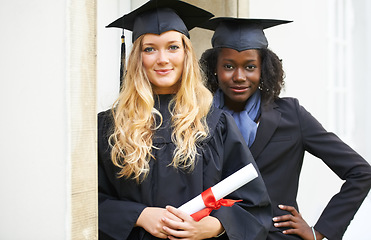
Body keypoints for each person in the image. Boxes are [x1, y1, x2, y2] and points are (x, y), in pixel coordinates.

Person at [98, 2, 272, 239]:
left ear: (186, 54)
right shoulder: (110, 126)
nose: (162, 59)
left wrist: (212, 226)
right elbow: (89, 201)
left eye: (172, 47)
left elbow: (253, 203)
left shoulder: (213, 122)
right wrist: (139, 215)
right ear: (137, 57)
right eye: (150, 49)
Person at [199, 17, 371, 240]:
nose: (239, 77)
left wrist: (319, 232)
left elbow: (361, 172)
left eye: (250, 67)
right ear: (215, 69)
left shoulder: (291, 115)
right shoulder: (199, 119)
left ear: (264, 69)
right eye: (229, 66)